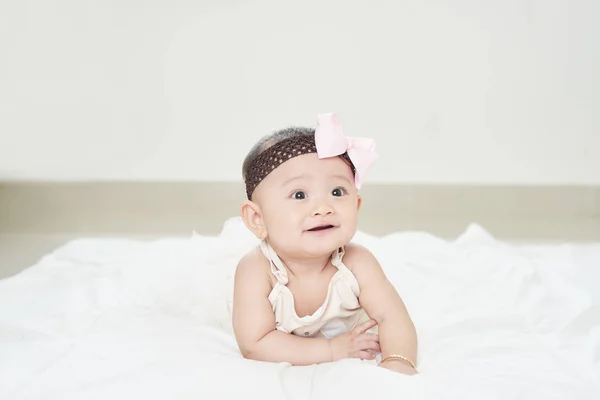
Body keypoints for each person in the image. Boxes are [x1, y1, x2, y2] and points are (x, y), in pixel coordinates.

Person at [232, 112, 418, 375]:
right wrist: (332, 350)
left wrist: (398, 359)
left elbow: (393, 317)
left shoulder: (357, 263)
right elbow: (255, 343)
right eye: (299, 195)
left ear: (357, 204)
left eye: (337, 192)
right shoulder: (257, 270)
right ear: (257, 219)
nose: (323, 208)